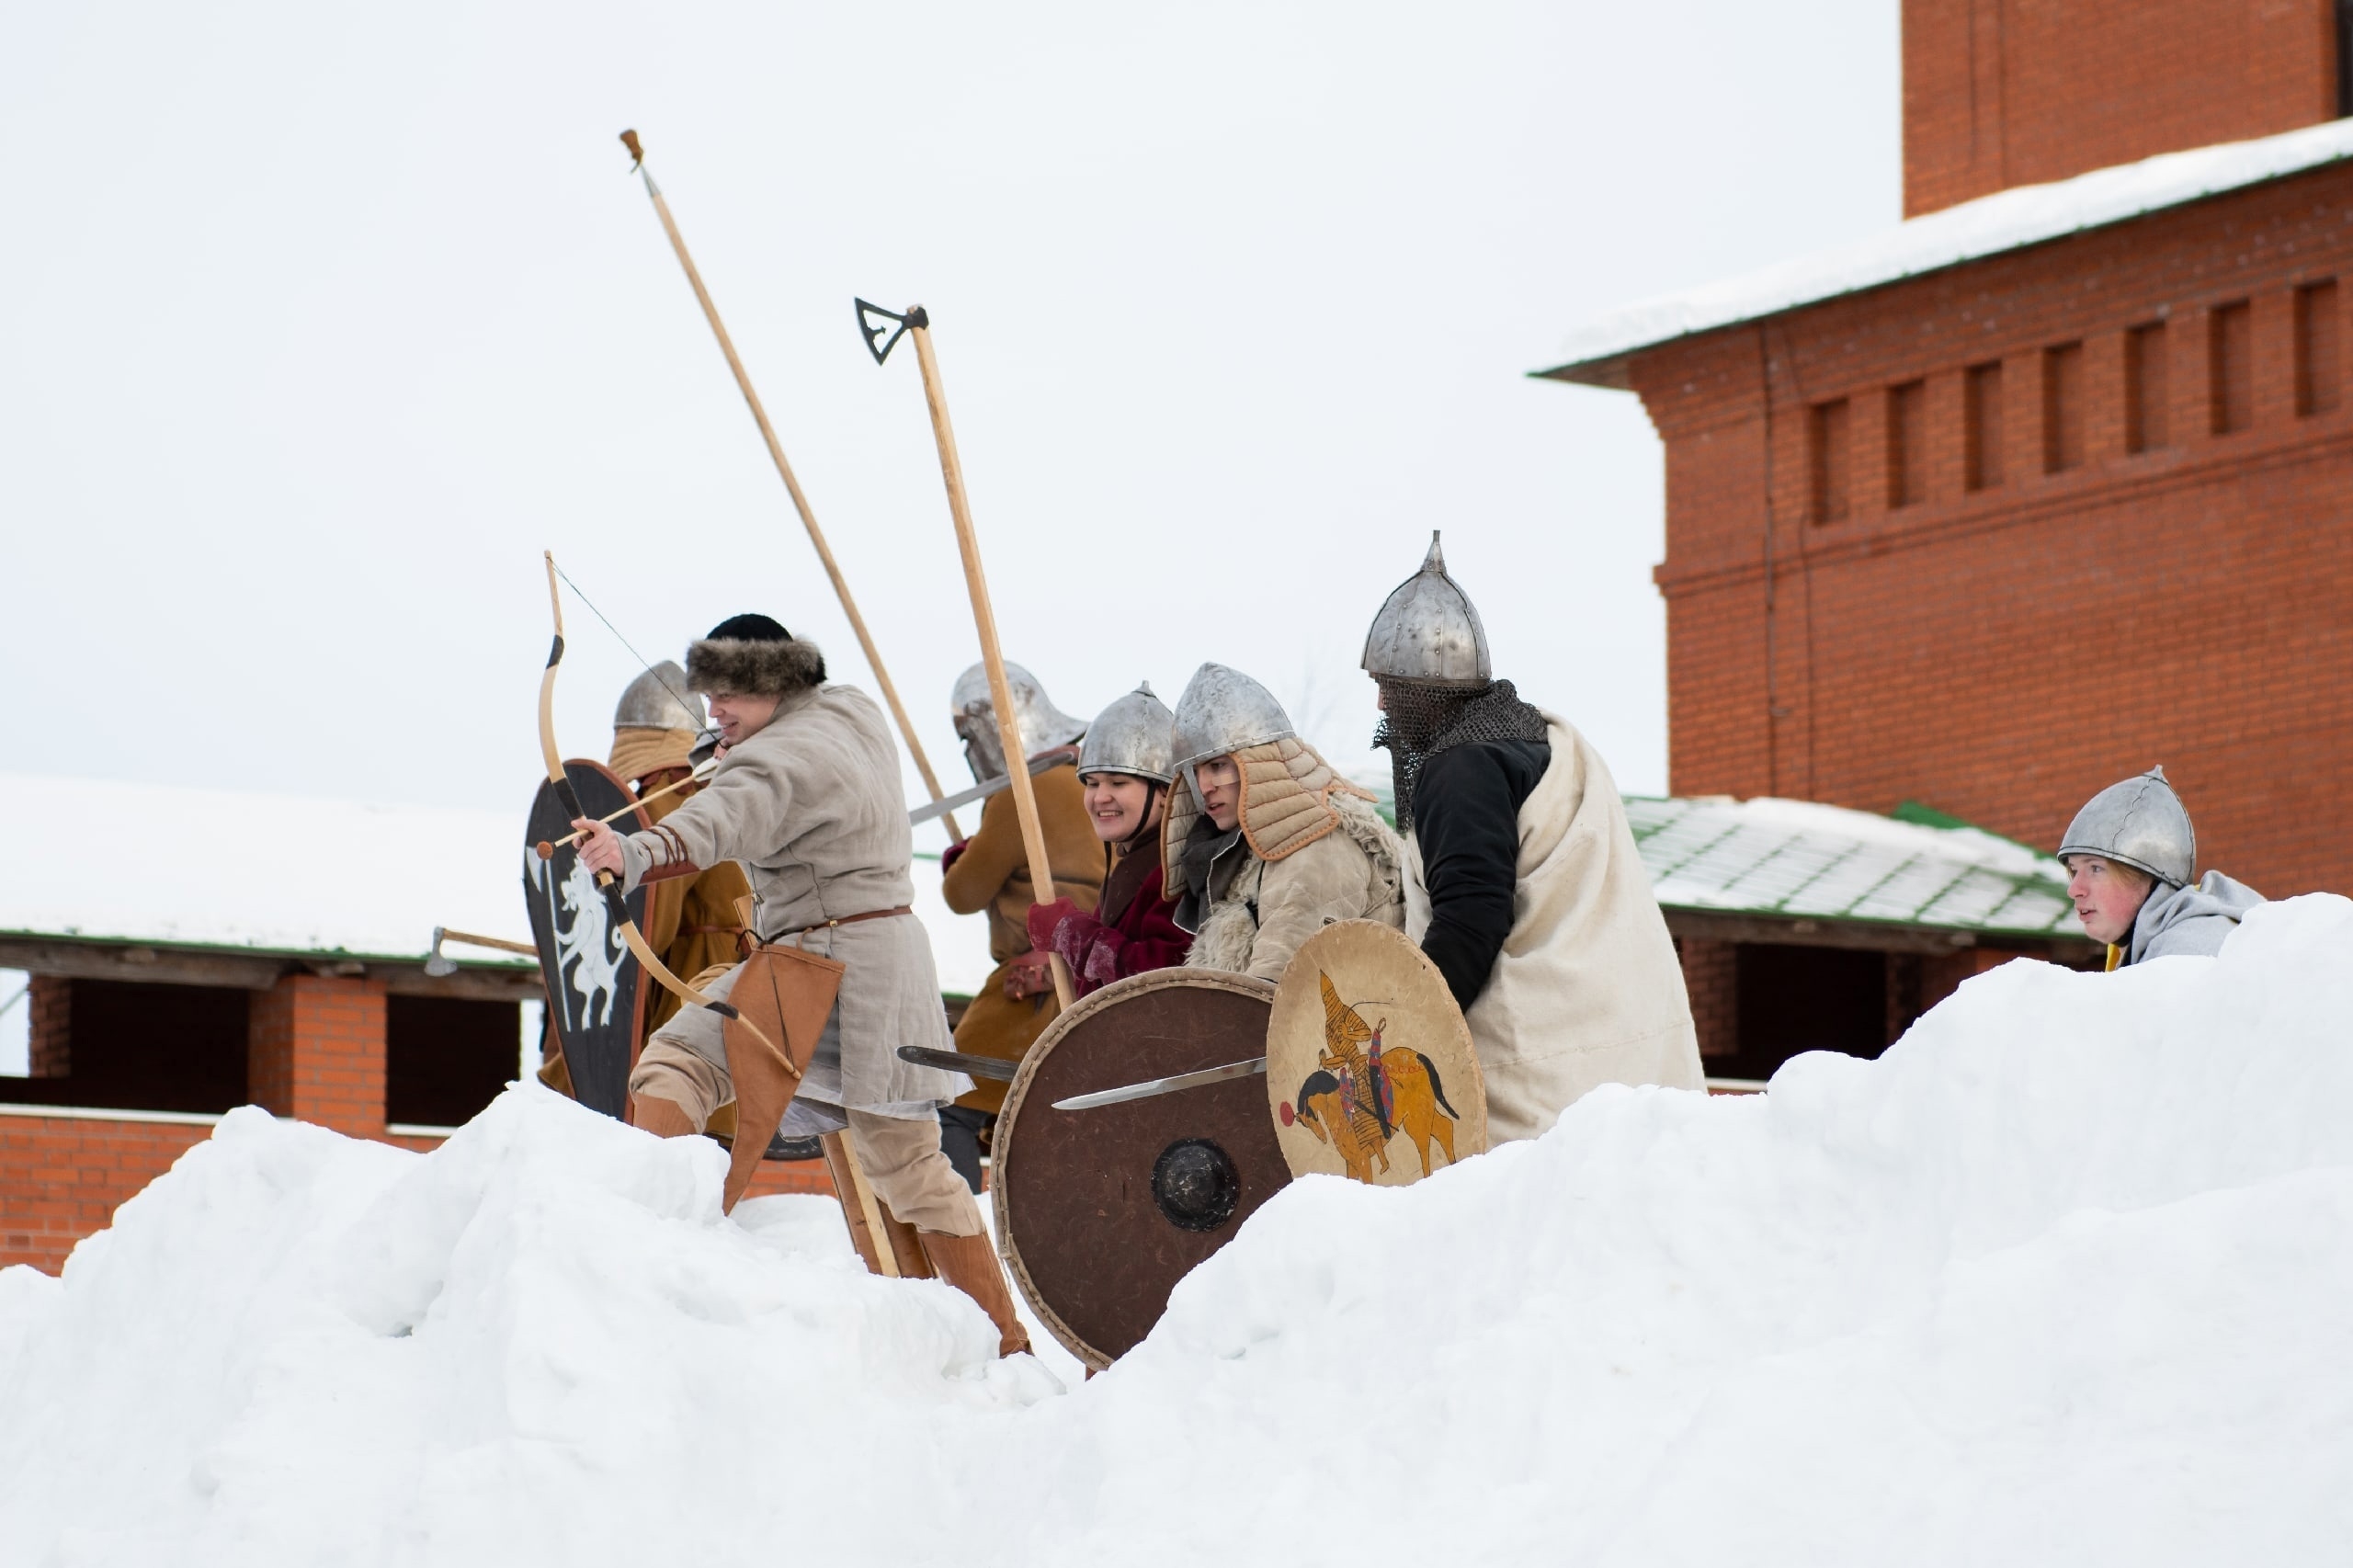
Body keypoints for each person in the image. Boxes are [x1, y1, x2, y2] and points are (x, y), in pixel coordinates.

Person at [573, 614, 1028, 1357]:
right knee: (911, 1169)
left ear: (771, 687)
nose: (714, 710)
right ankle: (1009, 1349)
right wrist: (738, 748)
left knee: (675, 1066)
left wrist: (630, 848)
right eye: (710, 696)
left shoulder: (775, 759)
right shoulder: (851, 711)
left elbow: (718, 820)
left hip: (816, 969)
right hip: (890, 959)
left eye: (728, 695)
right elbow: (767, 783)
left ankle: (645, 1269)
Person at [1363, 533, 1702, 1144]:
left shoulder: (1460, 767)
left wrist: (1399, 1034)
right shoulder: (1532, 740)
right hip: (1615, 1048)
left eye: (1391, 684)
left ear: (1428, 689)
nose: (1383, 701)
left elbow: (1470, 921)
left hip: (1539, 1072)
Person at [934, 663, 1102, 1188]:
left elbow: (962, 894)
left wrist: (961, 854)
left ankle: (963, 1233)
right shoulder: (1094, 783)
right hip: (1094, 975)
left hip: (1032, 990)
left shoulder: (1018, 797)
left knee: (951, 1105)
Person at [1162, 663, 1404, 980]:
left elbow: (1276, 992)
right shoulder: (1257, 852)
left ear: (1261, 763)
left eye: (1218, 765)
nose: (1205, 786)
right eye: (1196, 772)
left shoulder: (1316, 847)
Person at [608, 662, 753, 1035]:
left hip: (696, 976)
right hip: (742, 970)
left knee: (678, 1081)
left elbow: (652, 926)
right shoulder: (721, 788)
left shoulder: (670, 793)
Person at [1026, 683, 1190, 996]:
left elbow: (1163, 978)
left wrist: (1070, 932)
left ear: (1165, 792)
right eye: (1091, 783)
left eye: (1117, 782)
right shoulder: (1134, 862)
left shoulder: (1177, 869)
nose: (1100, 797)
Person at [2057, 767, 2265, 967]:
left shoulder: (2189, 952)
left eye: (2095, 869)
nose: (2074, 890)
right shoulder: (2142, 947)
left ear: (2146, 874)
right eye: (2074, 871)